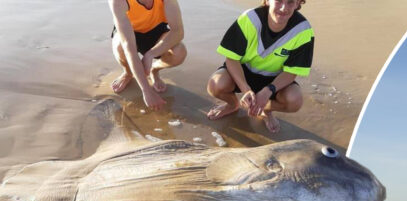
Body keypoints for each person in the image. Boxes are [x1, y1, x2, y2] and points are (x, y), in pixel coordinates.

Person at [206, 0, 314, 133]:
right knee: (215, 85)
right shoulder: (250, 19)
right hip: (243, 72)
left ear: (298, 3)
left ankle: (265, 110)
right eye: (279, 1)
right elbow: (232, 58)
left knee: (294, 100)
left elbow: (291, 73)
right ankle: (233, 104)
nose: (283, 8)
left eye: (290, 2)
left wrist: (268, 91)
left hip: (274, 79)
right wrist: (246, 90)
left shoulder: (303, 30)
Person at [109, 0, 187, 111]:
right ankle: (128, 72)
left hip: (156, 29)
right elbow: (128, 47)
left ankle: (154, 70)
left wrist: (150, 55)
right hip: (130, 31)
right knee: (120, 47)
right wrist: (146, 90)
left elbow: (178, 32)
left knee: (179, 52)